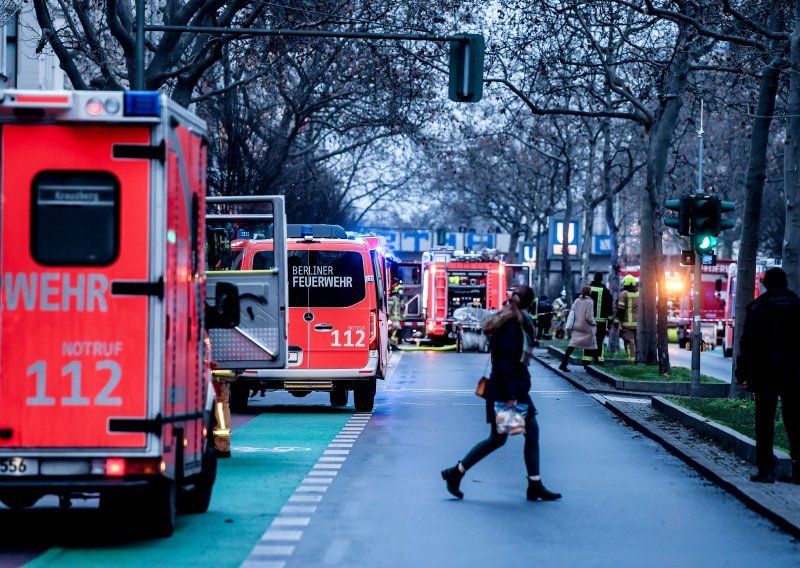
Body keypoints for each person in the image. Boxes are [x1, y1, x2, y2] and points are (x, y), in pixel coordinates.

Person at [441, 285, 561, 502]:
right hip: (508, 390)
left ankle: (534, 484)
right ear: (529, 304)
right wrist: (512, 396)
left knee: (517, 435)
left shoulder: (509, 320)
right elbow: (507, 363)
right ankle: (455, 473)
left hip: (509, 388)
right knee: (503, 438)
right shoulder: (513, 325)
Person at [736, 267, 800, 484]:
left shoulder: (758, 309)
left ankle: (766, 470)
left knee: (764, 421)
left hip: (765, 373)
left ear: (765, 284)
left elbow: (748, 344)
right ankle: (798, 471)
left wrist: (742, 373)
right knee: (795, 421)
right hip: (794, 373)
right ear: (785, 284)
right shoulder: (798, 306)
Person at [559, 286, 597, 371]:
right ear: (589, 292)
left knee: (572, 345)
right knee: (593, 344)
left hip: (577, 326)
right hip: (586, 327)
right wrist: (594, 323)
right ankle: (594, 363)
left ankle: (563, 363)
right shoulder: (590, 302)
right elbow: (589, 317)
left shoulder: (576, 301)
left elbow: (572, 312)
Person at [585, 272, 614, 365]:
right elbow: (609, 307)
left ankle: (586, 359)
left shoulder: (588, 289)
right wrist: (610, 321)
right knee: (599, 340)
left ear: (594, 278)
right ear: (601, 279)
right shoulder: (605, 290)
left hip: (589, 320)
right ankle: (599, 359)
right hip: (601, 321)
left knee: (588, 339)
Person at [616, 275, 639, 363]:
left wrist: (616, 321)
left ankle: (631, 362)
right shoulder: (639, 294)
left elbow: (620, 310)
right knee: (637, 343)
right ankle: (638, 360)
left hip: (627, 324)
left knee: (629, 343)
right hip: (638, 324)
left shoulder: (623, 294)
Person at [388, 280, 404, 350]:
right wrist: (388, 317)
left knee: (397, 332)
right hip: (392, 319)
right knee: (394, 333)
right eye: (400, 290)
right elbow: (389, 308)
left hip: (396, 319)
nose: (401, 291)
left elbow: (401, 308)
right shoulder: (392, 298)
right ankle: (393, 345)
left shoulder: (398, 299)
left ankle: (394, 345)